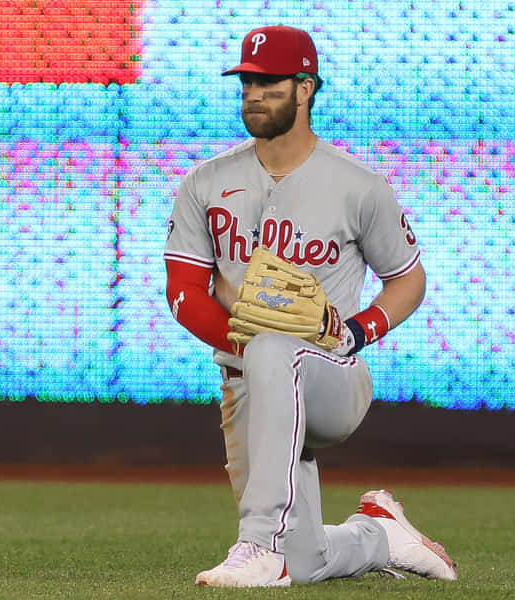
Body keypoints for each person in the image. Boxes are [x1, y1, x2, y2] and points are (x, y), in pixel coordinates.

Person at [163, 25, 457, 587]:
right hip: (247, 382)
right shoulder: (206, 181)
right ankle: (380, 535)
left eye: (270, 82)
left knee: (280, 351)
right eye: (248, 81)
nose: (254, 92)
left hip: (332, 376)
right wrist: (242, 343)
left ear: (305, 87)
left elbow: (407, 279)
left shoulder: (359, 185)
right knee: (307, 561)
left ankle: (255, 543)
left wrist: (356, 330)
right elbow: (182, 289)